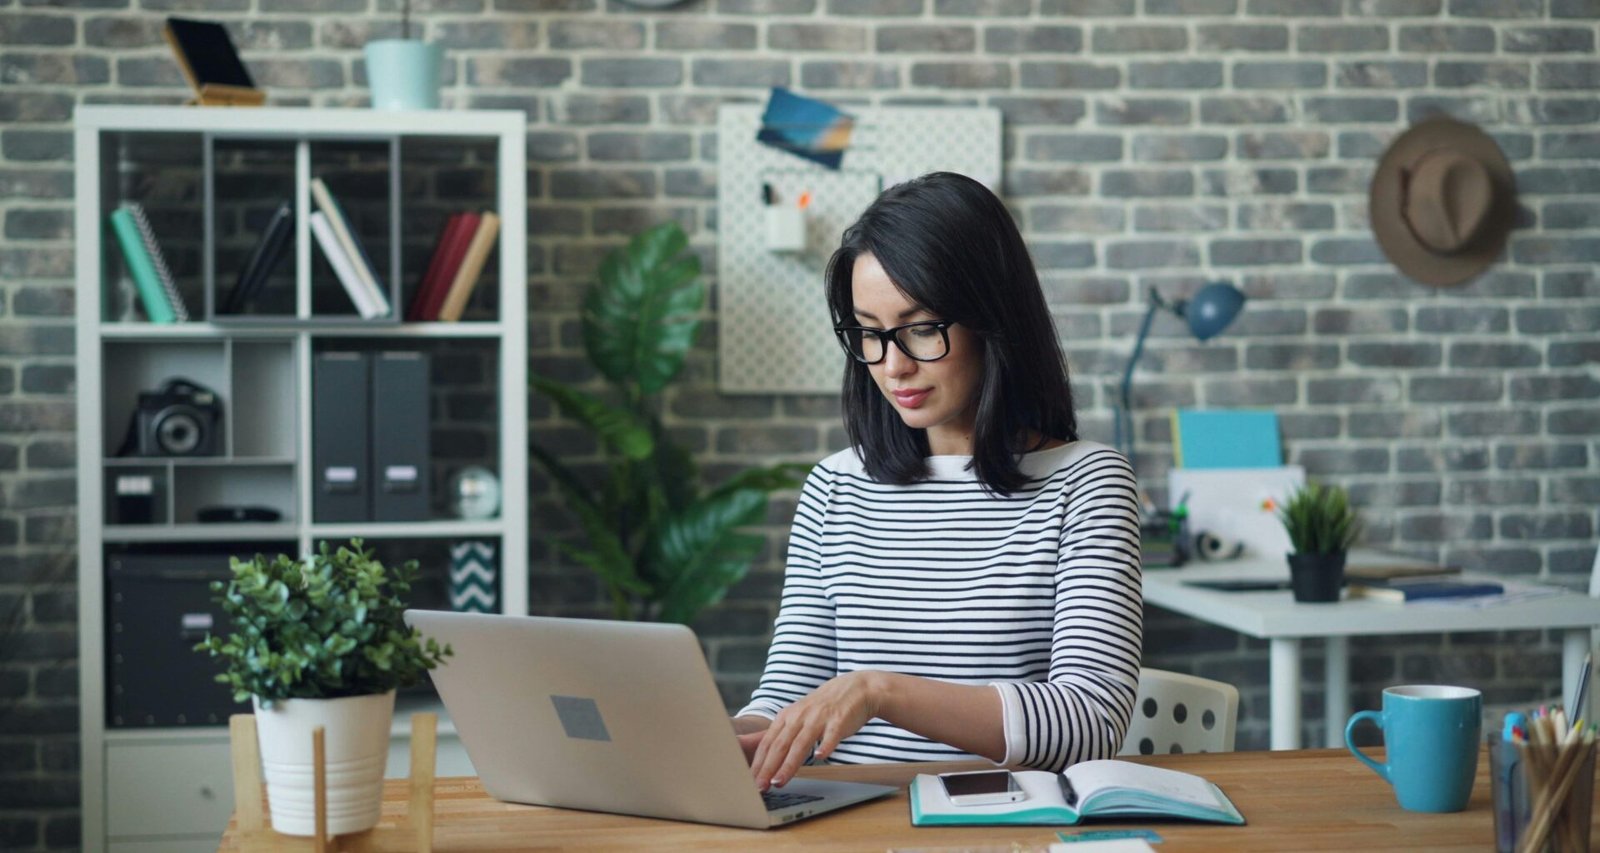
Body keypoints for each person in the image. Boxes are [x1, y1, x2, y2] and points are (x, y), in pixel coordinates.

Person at [732, 171, 1143, 793]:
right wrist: (733, 742)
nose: (893, 365)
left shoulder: (1085, 484)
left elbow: (1090, 721)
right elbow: (791, 687)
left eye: (921, 328)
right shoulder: (836, 486)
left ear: (991, 320)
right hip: (846, 822)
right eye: (870, 333)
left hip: (1002, 823)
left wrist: (878, 691)